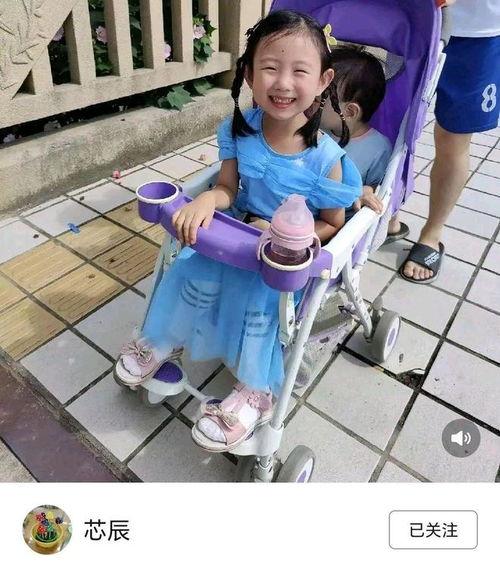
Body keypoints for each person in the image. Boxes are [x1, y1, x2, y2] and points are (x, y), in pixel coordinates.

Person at [114, 10, 362, 452]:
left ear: (323, 81)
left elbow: (332, 224)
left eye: (299, 71)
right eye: (270, 67)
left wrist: (289, 237)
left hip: (278, 261)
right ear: (248, 74)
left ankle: (255, 390)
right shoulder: (238, 130)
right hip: (236, 237)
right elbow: (228, 187)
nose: (282, 83)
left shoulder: (327, 160)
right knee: (189, 267)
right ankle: (163, 341)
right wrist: (208, 199)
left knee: (260, 301)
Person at [401, 0, 500, 283]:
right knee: (391, 122)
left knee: (452, 138)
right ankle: (387, 217)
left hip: (480, 35)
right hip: (412, 18)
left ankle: (432, 234)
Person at [321, 45, 393, 221]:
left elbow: (378, 187)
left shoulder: (378, 147)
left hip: (340, 219)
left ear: (350, 111)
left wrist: (366, 191)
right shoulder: (314, 127)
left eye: (320, 99)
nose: (310, 101)